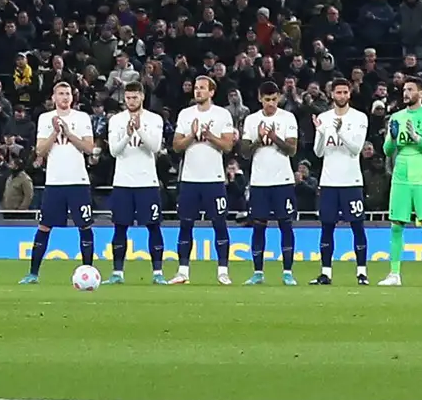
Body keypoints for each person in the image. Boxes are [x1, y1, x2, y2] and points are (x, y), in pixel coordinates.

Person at [24, 79, 96, 284]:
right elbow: (39, 150)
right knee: (45, 226)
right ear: (53, 98)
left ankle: (88, 271)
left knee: (84, 226)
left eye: (68, 94)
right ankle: (33, 273)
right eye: (61, 94)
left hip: (78, 180)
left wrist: (68, 132)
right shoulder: (45, 119)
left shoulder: (81, 118)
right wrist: (55, 132)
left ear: (73, 97)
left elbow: (89, 148)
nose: (65, 97)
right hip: (54, 182)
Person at [170, 75, 237, 283]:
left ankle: (223, 271)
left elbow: (227, 146)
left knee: (219, 224)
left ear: (211, 92)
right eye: (196, 88)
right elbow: (176, 146)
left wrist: (209, 135)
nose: (198, 91)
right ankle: (183, 272)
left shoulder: (222, 114)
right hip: (189, 178)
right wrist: (191, 135)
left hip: (214, 179)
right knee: (186, 224)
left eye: (202, 88)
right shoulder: (185, 114)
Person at [101, 83, 168, 284]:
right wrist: (128, 133)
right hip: (123, 182)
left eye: (135, 97)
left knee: (153, 227)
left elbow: (155, 147)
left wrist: (139, 129)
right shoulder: (116, 120)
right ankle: (117, 273)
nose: (131, 101)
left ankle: (157, 273)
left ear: (142, 97)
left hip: (147, 181)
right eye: (128, 98)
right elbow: (114, 151)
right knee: (120, 227)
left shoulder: (154, 119)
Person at [308, 76, 372, 285]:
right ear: (332, 94)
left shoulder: (359, 117)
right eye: (338, 92)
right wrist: (319, 132)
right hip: (328, 181)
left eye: (345, 92)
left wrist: (339, 131)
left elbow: (356, 149)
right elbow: (318, 153)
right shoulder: (324, 117)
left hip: (351, 181)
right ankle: (326, 272)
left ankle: (362, 272)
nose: (342, 95)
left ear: (350, 94)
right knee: (327, 227)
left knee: (357, 226)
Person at [382, 80, 422, 284]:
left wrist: (417, 138)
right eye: (404, 90)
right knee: (396, 226)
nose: (406, 93)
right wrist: (391, 138)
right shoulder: (396, 117)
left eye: (410, 89)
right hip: (400, 176)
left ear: (421, 92)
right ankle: (394, 274)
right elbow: (387, 151)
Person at [240, 86, 301, 286]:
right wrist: (259, 139)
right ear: (260, 98)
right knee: (258, 228)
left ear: (280, 98)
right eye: (267, 99)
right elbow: (245, 152)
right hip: (259, 182)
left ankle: (288, 272)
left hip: (282, 181)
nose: (271, 103)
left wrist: (274, 137)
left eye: (274, 99)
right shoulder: (251, 120)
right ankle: (258, 272)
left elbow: (292, 150)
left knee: (286, 226)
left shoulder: (287, 118)